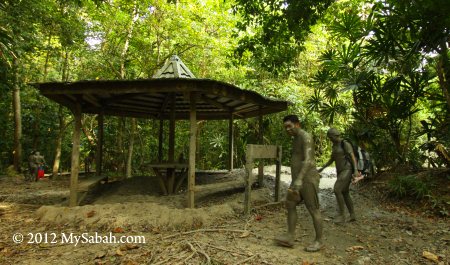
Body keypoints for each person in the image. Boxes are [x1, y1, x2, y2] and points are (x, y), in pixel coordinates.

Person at [274, 115, 323, 252]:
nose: (287, 129)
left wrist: (300, 178)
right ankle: (290, 236)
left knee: (313, 209)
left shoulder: (305, 137)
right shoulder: (295, 139)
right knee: (290, 204)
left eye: (290, 126)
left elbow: (309, 160)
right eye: (285, 127)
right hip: (298, 179)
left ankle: (319, 241)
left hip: (307, 178)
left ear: (297, 124)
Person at [318, 128, 358, 223]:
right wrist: (322, 168)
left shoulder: (345, 144)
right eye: (329, 138)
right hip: (340, 171)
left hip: (347, 169)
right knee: (344, 192)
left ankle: (341, 215)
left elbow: (352, 157)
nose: (330, 139)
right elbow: (332, 159)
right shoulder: (334, 146)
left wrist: (355, 170)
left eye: (331, 137)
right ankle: (352, 215)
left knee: (337, 189)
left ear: (335, 136)